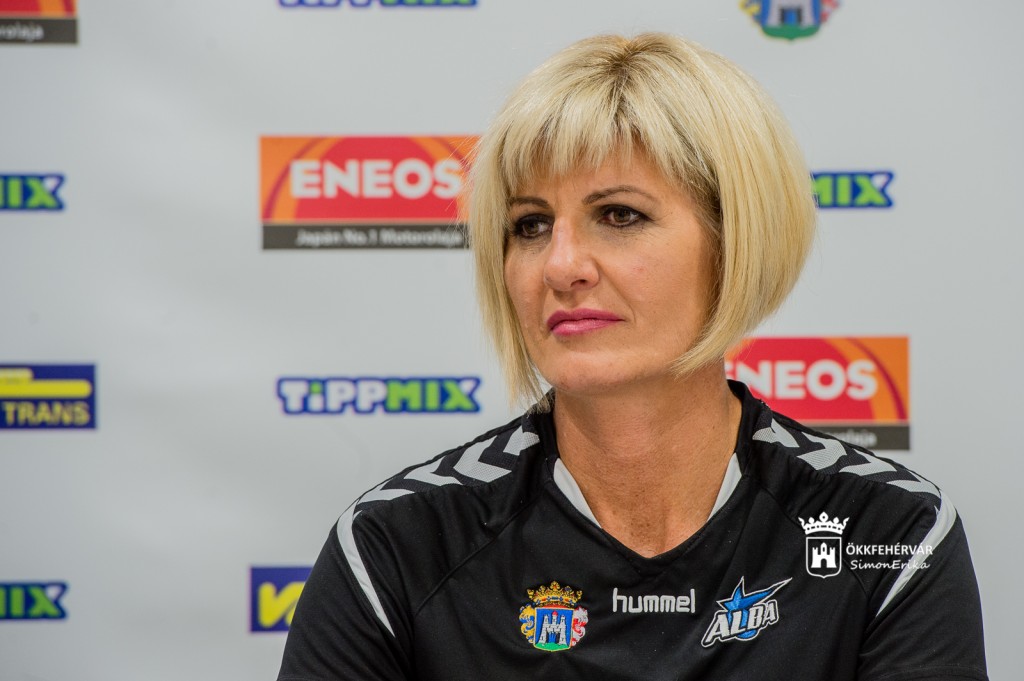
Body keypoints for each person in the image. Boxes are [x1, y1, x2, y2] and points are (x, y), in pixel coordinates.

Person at [277, 33, 987, 680]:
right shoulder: (397, 545)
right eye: (530, 225)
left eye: (619, 215)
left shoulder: (888, 533)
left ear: (736, 241)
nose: (561, 266)